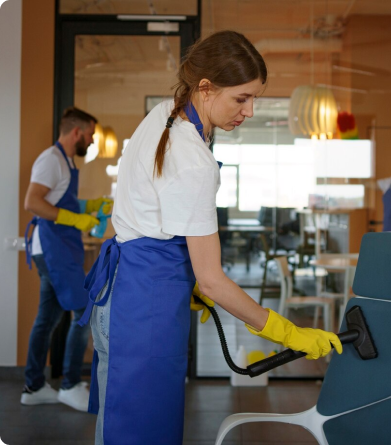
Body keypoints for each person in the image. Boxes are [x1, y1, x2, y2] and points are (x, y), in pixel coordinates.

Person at [78, 30, 342, 445]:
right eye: (242, 98)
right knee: (138, 432)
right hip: (144, 308)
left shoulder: (167, 112)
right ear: (206, 88)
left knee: (124, 423)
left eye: (255, 97)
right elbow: (213, 280)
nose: (250, 110)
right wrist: (289, 333)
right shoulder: (192, 159)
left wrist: (185, 277)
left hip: (127, 293)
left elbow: (151, 217)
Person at [22, 107, 112, 412]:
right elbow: (33, 202)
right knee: (84, 313)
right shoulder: (51, 160)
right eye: (90, 135)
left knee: (47, 319)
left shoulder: (65, 163)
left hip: (58, 250)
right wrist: (77, 220)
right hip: (53, 250)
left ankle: (33, 387)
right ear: (77, 132)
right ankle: (71, 385)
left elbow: (61, 200)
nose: (91, 141)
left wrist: (89, 206)